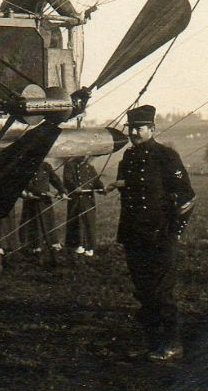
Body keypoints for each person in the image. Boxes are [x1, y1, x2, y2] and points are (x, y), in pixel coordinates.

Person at [113, 105, 195, 360]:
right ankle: (151, 343)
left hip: (161, 234)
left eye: (140, 128)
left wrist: (175, 232)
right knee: (143, 291)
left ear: (152, 129)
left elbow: (187, 197)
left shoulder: (166, 156)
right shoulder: (128, 158)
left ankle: (172, 343)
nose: (134, 133)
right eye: (131, 128)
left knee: (162, 292)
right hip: (134, 234)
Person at [19, 160, 66, 267]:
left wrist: (62, 191)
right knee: (35, 227)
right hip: (32, 202)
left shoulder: (45, 166)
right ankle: (37, 254)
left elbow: (55, 179)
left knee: (49, 226)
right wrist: (43, 193)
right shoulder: (25, 166)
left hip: (45, 202)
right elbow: (27, 184)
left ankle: (53, 254)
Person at [61, 155, 104, 258]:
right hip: (76, 199)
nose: (84, 157)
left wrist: (102, 188)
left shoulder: (90, 168)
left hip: (88, 199)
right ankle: (78, 244)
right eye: (82, 155)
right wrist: (75, 187)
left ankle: (90, 246)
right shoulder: (70, 166)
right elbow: (67, 179)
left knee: (89, 221)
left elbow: (95, 181)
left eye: (86, 155)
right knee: (77, 220)